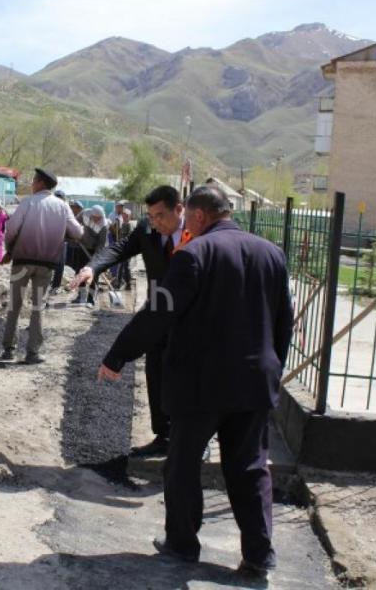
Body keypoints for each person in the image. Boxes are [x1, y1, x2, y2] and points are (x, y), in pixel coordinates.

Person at [97, 186, 293, 573]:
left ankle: (183, 543)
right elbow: (283, 321)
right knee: (251, 467)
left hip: (201, 384)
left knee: (183, 464)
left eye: (188, 218)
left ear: (200, 216)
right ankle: (259, 555)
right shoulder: (272, 254)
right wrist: (273, 366)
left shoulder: (194, 255)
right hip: (254, 382)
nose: (186, 225)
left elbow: (158, 313)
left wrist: (118, 356)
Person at [69, 185, 190, 456]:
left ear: (179, 209)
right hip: (156, 312)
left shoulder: (197, 231)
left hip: (190, 317)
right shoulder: (146, 229)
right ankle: (163, 434)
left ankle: (193, 437)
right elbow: (120, 248)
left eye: (160, 216)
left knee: (187, 375)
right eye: (151, 216)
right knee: (156, 370)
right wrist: (92, 267)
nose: (155, 222)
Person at [1, 167, 83, 364]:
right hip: (46, 265)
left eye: (33, 181)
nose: (31, 184)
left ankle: (9, 350)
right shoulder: (62, 206)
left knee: (14, 305)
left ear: (40, 183)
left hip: (22, 262)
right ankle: (33, 353)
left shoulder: (28, 202)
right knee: (38, 306)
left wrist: (9, 250)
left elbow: (11, 229)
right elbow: (78, 233)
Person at [71, 205, 108, 305]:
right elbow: (74, 223)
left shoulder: (103, 226)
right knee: (80, 272)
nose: (98, 220)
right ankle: (81, 297)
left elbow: (101, 245)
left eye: (99, 218)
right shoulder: (84, 214)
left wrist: (95, 259)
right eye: (96, 218)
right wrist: (75, 233)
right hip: (82, 247)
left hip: (95, 250)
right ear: (92, 215)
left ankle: (91, 299)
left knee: (93, 275)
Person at [50, 189, 68, 292]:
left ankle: (55, 286)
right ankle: (45, 284)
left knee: (60, 264)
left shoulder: (66, 210)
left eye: (60, 198)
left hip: (62, 240)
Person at [114, 208, 136, 290]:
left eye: (126, 215)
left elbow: (129, 237)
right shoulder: (123, 224)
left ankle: (122, 284)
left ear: (129, 216)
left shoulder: (129, 224)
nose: (124, 217)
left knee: (124, 267)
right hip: (123, 248)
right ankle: (125, 284)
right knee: (123, 266)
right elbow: (120, 236)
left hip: (127, 249)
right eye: (123, 215)